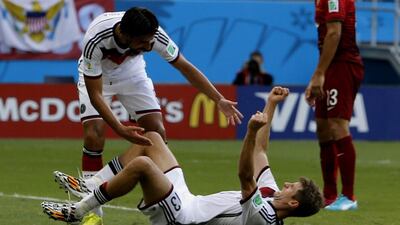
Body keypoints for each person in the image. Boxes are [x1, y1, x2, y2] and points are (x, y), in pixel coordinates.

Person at [41, 87, 323, 225]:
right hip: (189, 201)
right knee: (151, 138)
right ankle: (93, 184)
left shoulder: (264, 216)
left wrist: (249, 131)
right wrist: (271, 104)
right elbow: (261, 151)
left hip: (184, 219)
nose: (285, 184)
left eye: (291, 188)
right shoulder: (272, 193)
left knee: (142, 165)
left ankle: (79, 211)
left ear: (293, 202)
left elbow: (245, 175)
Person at [77, 7, 243, 178]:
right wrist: (119, 129)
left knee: (156, 131)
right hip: (97, 78)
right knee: (94, 133)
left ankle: (159, 194)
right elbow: (95, 95)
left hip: (132, 73)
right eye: (142, 42)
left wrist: (218, 99)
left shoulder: (154, 35)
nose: (149, 47)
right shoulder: (95, 39)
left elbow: (184, 66)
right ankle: (89, 194)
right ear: (126, 35)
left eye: (150, 41)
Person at [305, 0, 364, 210]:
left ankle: (348, 197)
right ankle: (329, 195)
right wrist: (316, 76)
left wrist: (320, 73)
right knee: (323, 127)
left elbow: (334, 34)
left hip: (343, 65)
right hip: (330, 66)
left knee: (337, 125)